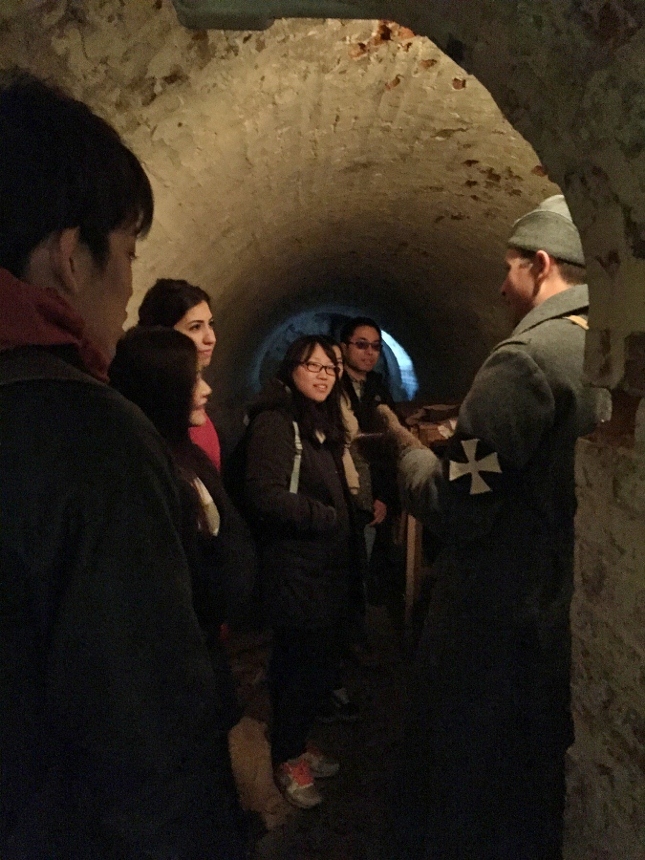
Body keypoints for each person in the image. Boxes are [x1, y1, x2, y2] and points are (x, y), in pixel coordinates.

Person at [0, 70, 246, 858]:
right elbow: (145, 744)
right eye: (129, 250)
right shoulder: (87, 435)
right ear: (72, 257)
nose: (131, 279)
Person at [380, 195, 604, 859]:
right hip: (564, 611)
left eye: (506, 270)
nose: (497, 287)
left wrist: (407, 454)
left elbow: (459, 502)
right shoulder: (604, 345)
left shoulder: (525, 362)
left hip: (495, 622)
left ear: (540, 265)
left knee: (466, 784)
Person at [243, 336, 360, 809]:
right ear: (290, 369)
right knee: (297, 668)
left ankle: (297, 741)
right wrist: (325, 517)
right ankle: (287, 756)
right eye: (311, 366)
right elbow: (263, 493)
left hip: (321, 572)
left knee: (312, 666)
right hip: (296, 573)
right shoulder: (277, 423)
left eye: (330, 367)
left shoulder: (318, 422)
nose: (323, 374)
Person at [339, 317, 401, 608]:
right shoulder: (331, 385)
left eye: (376, 346)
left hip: (371, 490)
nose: (369, 352)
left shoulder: (378, 387)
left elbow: (387, 447)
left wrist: (383, 496)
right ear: (344, 346)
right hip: (341, 492)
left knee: (365, 562)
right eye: (361, 345)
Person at [138, 278, 221, 470]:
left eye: (211, 324)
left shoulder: (197, 408)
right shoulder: (157, 412)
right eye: (195, 327)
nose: (211, 338)